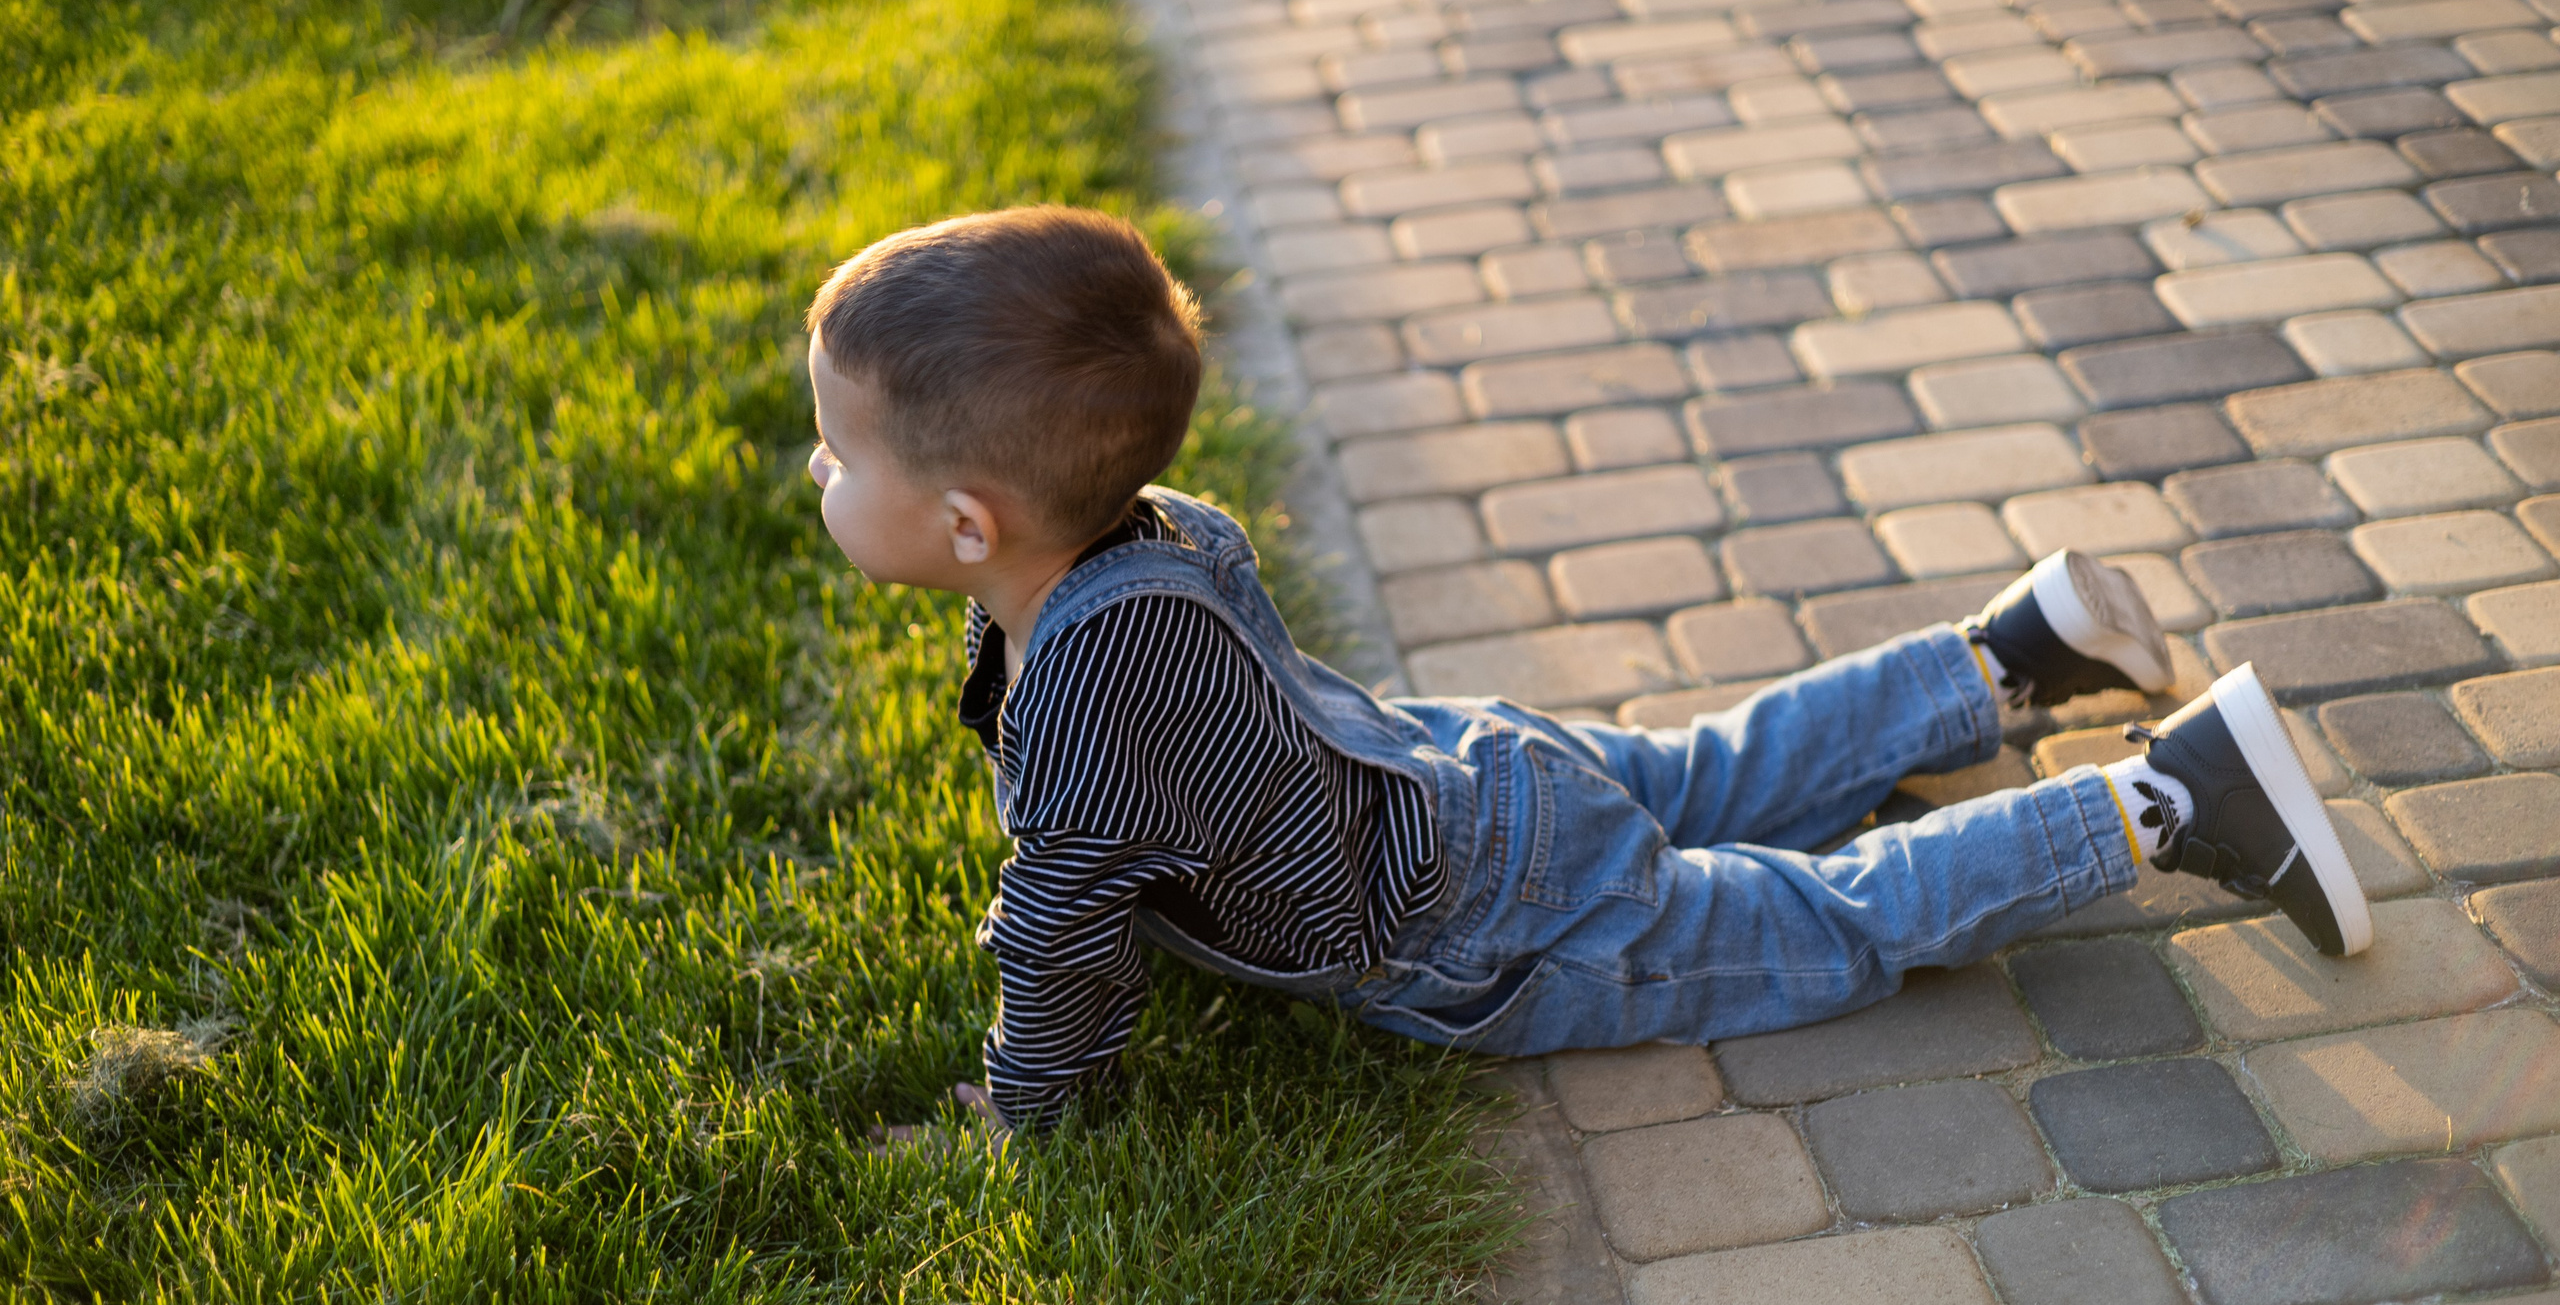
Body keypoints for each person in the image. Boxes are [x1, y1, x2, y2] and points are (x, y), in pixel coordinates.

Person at [803, 205, 2371, 1138]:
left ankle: (2168, 805)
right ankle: (2014, 654)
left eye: (830, 449)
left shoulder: (1077, 698)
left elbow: (1061, 926)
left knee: (1817, 922)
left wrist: (1028, 1105)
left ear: (962, 523)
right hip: (1476, 766)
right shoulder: (1162, 530)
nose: (813, 472)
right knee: (1714, 767)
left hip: (1472, 926)